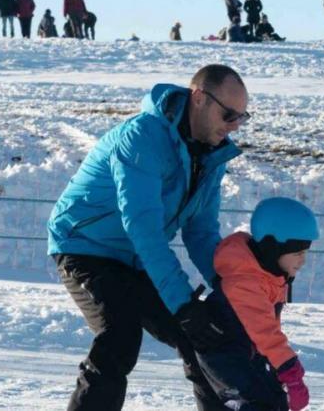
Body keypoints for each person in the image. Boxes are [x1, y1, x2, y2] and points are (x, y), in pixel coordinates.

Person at [48, 64, 250, 411]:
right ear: (199, 98)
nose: (234, 126)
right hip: (85, 246)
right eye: (228, 114)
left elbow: (201, 233)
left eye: (242, 117)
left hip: (136, 258)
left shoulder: (212, 155)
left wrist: (234, 286)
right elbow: (142, 228)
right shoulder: (142, 137)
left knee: (202, 337)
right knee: (120, 334)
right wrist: (184, 305)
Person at [195, 197, 318, 411]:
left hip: (243, 354)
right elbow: (265, 331)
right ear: (273, 248)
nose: (303, 260)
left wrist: (276, 367)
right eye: (298, 253)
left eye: (305, 252)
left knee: (274, 400)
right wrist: (290, 369)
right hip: (222, 359)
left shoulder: (270, 276)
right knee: (259, 405)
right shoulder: (245, 282)